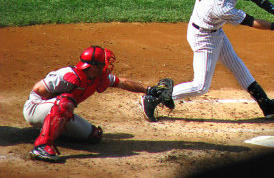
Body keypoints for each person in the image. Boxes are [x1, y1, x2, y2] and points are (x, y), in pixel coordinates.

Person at [140, 0, 274, 122]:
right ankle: (154, 97)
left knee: (237, 65)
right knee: (200, 86)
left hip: (214, 31)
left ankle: (267, 107)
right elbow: (250, 21)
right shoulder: (219, 7)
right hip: (203, 38)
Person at [23, 45, 171, 163]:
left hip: (55, 111)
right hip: (35, 108)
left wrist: (149, 90)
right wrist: (57, 103)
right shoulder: (68, 75)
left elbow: (122, 82)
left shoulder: (98, 78)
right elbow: (38, 90)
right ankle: (41, 146)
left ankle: (53, 129)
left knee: (94, 136)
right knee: (65, 103)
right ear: (93, 66)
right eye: (102, 65)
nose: (106, 67)